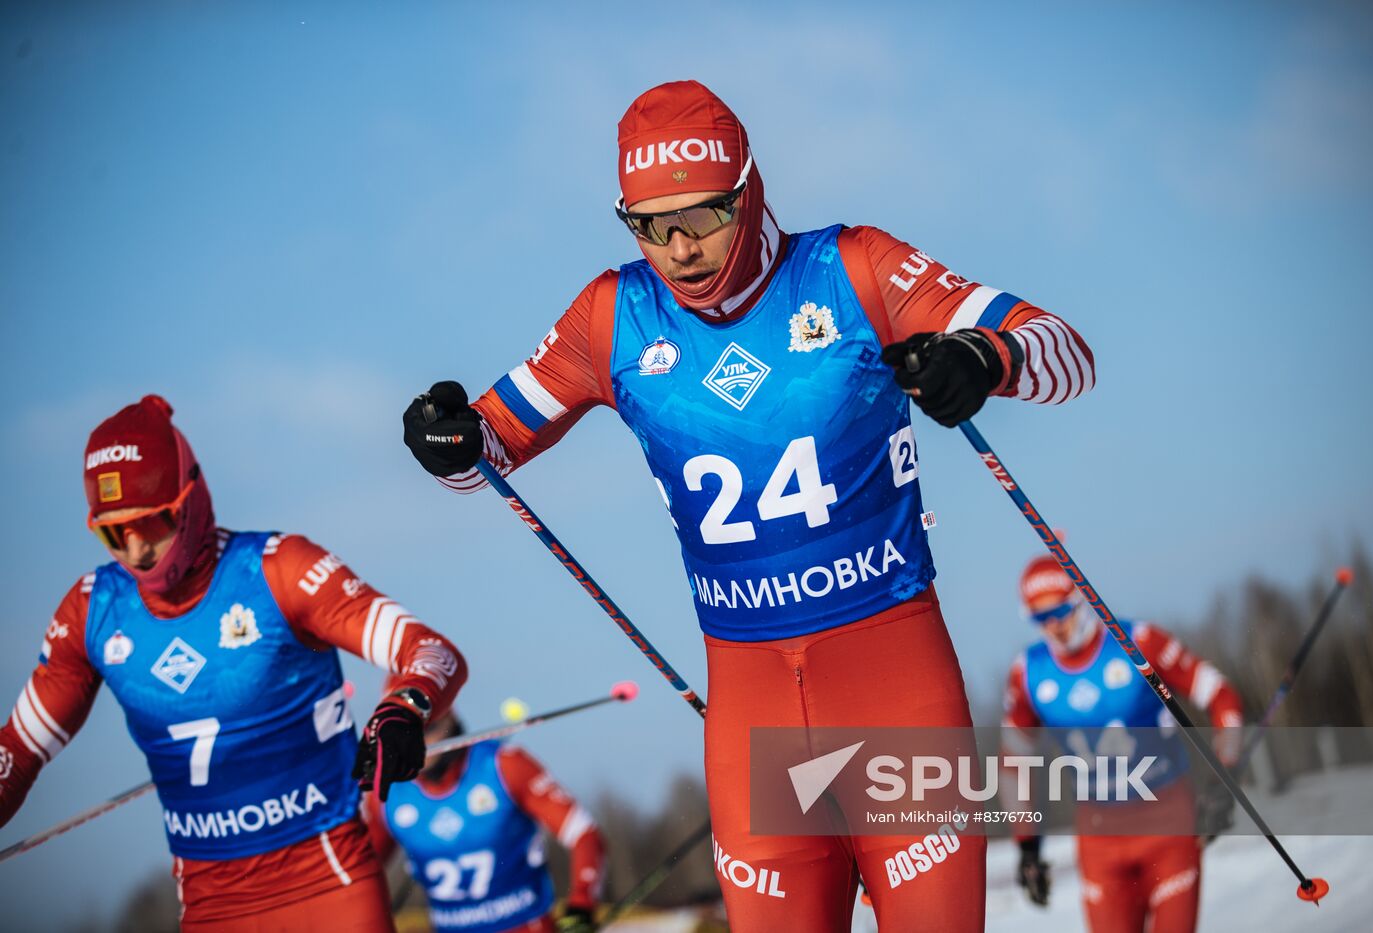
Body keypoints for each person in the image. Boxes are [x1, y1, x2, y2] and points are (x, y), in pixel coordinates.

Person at [401, 80, 1096, 931]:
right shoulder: (613, 316)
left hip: (893, 687)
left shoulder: (852, 267)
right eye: (651, 226)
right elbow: (489, 452)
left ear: (748, 190)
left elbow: (1064, 348)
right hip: (749, 711)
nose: (681, 247)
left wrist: (984, 357)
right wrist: (449, 441)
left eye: (704, 217)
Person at [0, 395, 468, 931]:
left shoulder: (280, 570)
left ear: (190, 499)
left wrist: (404, 708)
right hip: (213, 906)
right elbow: (17, 750)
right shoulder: (93, 611)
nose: (134, 550)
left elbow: (429, 650)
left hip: (327, 884)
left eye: (151, 524)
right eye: (112, 533)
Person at [1002, 554, 1243, 933]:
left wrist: (1225, 776)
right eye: (1039, 618)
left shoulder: (1138, 641)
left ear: (1080, 599)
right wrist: (1027, 845)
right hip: (1100, 841)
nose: (1054, 626)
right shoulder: (1028, 672)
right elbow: (1014, 760)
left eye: (1061, 611)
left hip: (1169, 826)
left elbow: (1221, 697)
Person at [363, 711, 606, 933]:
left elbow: (584, 834)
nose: (416, 742)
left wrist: (581, 906)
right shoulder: (387, 793)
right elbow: (357, 871)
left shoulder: (503, 764)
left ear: (449, 719)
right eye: (402, 731)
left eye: (428, 729)